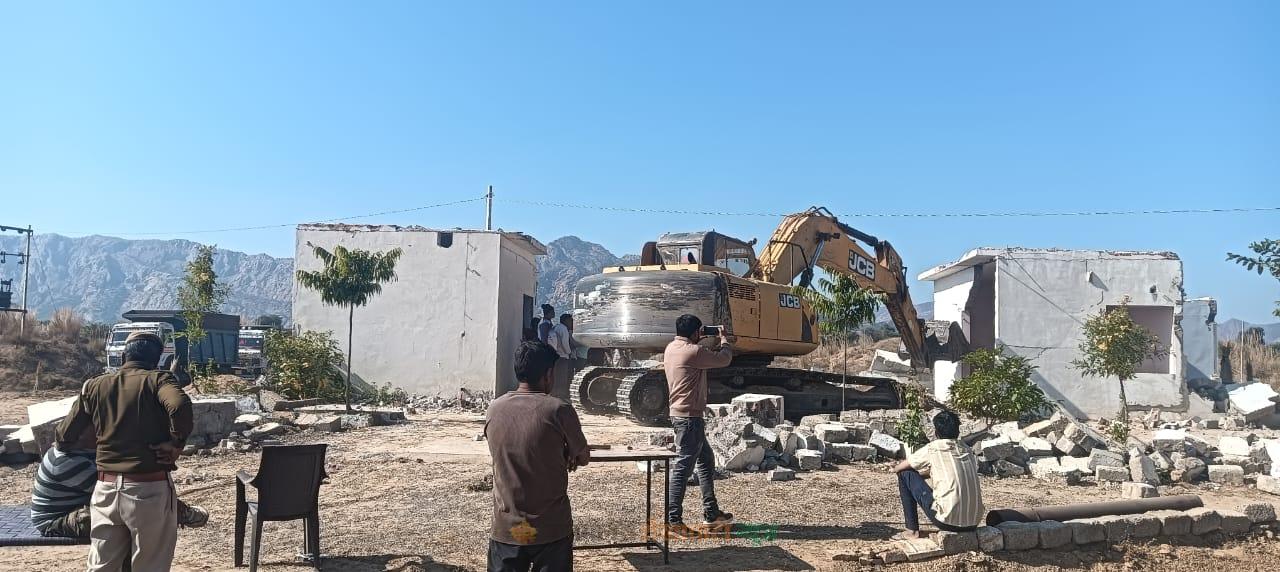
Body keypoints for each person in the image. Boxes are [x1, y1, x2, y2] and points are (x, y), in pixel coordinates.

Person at [54, 331, 194, 571]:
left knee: (101, 566)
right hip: (149, 489)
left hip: (105, 489)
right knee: (150, 566)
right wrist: (176, 444)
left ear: (123, 357)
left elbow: (64, 436)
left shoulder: (94, 386)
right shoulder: (159, 380)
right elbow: (179, 405)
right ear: (157, 360)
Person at [485, 341, 590, 572]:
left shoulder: (494, 409)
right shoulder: (559, 410)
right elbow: (583, 457)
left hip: (507, 528)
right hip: (550, 529)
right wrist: (566, 452)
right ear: (548, 374)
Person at [30, 425, 209, 539]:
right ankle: (178, 513)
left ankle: (174, 511)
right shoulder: (66, 462)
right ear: (81, 434)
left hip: (78, 505)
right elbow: (115, 490)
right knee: (125, 513)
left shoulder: (82, 450)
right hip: (57, 520)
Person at [664, 314, 734, 535]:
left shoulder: (671, 348)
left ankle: (712, 513)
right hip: (690, 418)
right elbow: (724, 359)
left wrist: (698, 338)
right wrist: (723, 339)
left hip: (681, 415)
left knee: (705, 460)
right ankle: (673, 521)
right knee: (682, 469)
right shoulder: (694, 351)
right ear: (695, 332)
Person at [892, 410, 985, 539]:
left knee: (904, 474)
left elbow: (900, 468)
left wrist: (897, 469)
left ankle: (911, 530)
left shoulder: (933, 448)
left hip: (947, 521)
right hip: (973, 521)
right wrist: (923, 476)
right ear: (958, 431)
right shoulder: (967, 449)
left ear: (936, 432)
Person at [545, 314, 574, 403]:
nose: (572, 323)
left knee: (556, 376)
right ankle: (561, 396)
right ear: (566, 320)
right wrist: (569, 352)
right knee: (562, 377)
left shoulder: (556, 327)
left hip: (556, 356)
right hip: (563, 356)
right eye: (570, 321)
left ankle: (554, 394)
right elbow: (565, 343)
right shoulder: (564, 329)